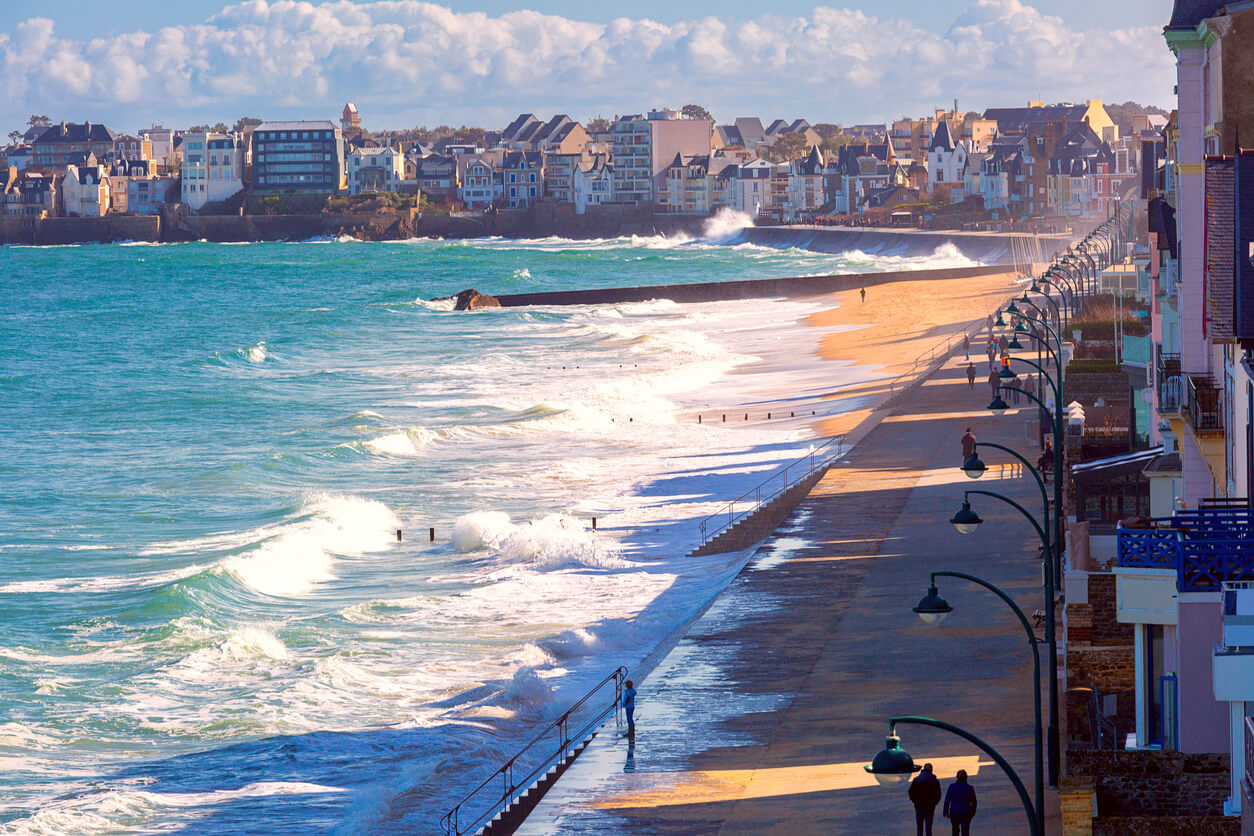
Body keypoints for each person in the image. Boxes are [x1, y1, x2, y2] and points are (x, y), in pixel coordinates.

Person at [909, 763, 942, 836]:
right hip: (929, 808)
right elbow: (938, 795)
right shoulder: (935, 781)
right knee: (928, 829)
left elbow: (911, 792)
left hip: (919, 807)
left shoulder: (916, 780)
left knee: (919, 828)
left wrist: (915, 802)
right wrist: (933, 804)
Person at [943, 769, 978, 836]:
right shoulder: (969, 788)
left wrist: (945, 812)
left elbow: (947, 800)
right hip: (966, 812)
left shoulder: (952, 787)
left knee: (955, 830)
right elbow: (974, 802)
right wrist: (972, 813)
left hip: (954, 812)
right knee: (965, 831)